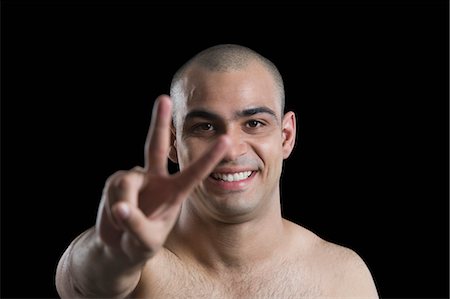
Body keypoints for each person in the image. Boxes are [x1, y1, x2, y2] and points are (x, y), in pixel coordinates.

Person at [55, 44, 379, 298]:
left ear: (286, 136)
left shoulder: (341, 277)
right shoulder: (140, 264)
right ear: (172, 141)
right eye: (205, 127)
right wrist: (113, 252)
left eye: (254, 124)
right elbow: (86, 284)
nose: (230, 149)